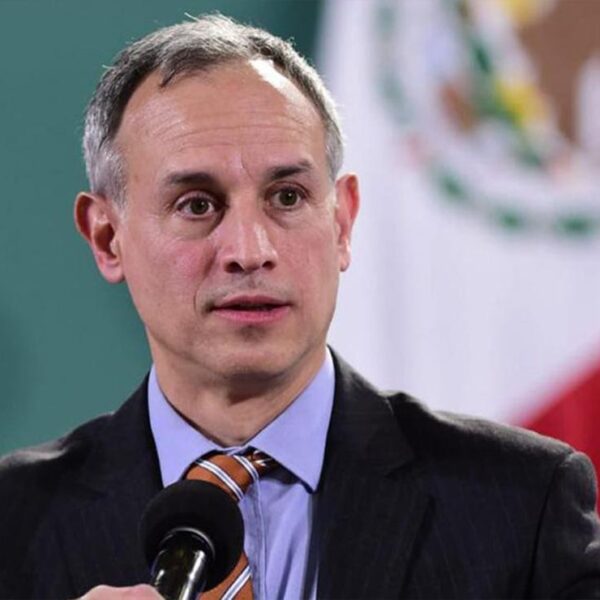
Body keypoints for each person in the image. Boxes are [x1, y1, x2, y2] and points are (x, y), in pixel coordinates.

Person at [0, 14, 599, 600]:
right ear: (107, 238)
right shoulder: (12, 522)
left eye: (287, 197)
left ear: (342, 222)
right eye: (197, 204)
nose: (249, 251)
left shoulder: (525, 503)